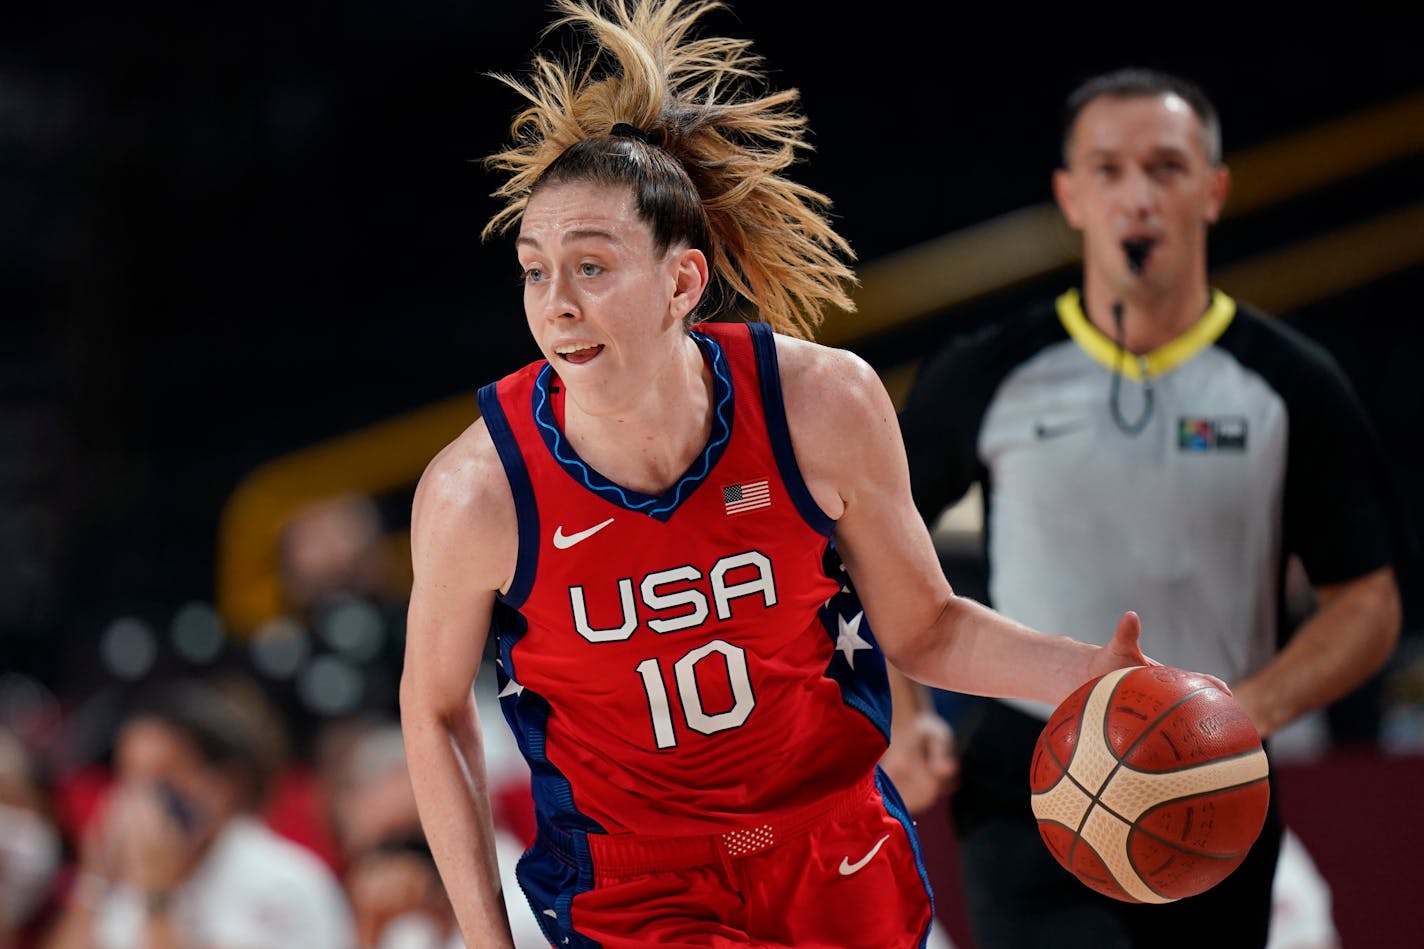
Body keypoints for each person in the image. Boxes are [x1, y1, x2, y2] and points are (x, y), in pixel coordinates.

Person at [398, 4, 1164, 947]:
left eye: (591, 267)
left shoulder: (819, 405)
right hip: (638, 887)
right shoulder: (478, 490)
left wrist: (1085, 672)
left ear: (682, 284)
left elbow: (921, 625)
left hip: (834, 840)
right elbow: (433, 712)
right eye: (533, 271)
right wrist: (486, 936)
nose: (555, 306)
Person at [898, 67, 1405, 948]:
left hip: (1220, 777)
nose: (1137, 195)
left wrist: (1244, 712)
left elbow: (1368, 600)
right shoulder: (985, 373)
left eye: (1167, 168)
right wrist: (902, 721)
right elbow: (865, 551)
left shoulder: (1291, 383)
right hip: (1033, 772)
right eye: (1108, 169)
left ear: (1212, 191)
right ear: (1069, 196)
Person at [41, 677, 356, 949]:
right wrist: (94, 880)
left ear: (224, 786)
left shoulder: (285, 882)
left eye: (161, 777)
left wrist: (157, 897)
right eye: (129, 777)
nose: (139, 800)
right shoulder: (122, 888)